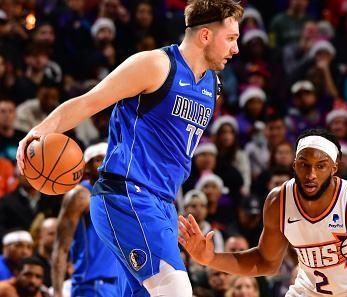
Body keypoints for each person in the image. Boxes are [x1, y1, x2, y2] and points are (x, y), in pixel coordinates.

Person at [17, 1, 243, 296]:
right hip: (127, 194)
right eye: (231, 38)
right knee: (175, 290)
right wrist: (41, 129)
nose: (235, 49)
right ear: (204, 36)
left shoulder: (212, 84)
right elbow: (90, 101)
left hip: (163, 204)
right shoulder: (156, 65)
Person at [179, 128, 347, 296]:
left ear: (334, 168)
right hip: (311, 292)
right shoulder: (278, 201)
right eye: (304, 165)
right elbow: (265, 261)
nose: (311, 174)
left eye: (320, 166)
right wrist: (210, 258)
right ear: (294, 165)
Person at [51, 142, 128, 297]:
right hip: (92, 285)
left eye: (110, 158)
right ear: (86, 167)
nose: (106, 162)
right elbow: (61, 247)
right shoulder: (80, 195)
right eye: (99, 159)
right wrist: (58, 291)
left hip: (122, 285)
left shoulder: (123, 196)